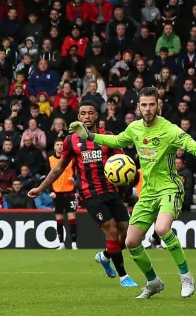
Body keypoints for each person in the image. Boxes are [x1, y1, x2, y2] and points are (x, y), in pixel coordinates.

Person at [69, 86, 196, 299]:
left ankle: (186, 276)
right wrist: (90, 135)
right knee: (131, 242)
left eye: (151, 105)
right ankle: (153, 282)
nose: (148, 109)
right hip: (147, 192)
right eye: (144, 105)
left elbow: (187, 141)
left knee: (162, 228)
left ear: (159, 105)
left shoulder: (169, 129)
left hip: (169, 188)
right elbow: (118, 140)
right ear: (138, 107)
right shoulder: (135, 128)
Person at [30, 101, 137, 288]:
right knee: (111, 230)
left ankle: (104, 257)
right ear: (78, 117)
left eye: (90, 113)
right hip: (91, 194)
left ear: (97, 116)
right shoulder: (71, 140)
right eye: (83, 113)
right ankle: (123, 276)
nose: (87, 117)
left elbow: (122, 161)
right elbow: (59, 168)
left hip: (111, 191)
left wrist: (127, 177)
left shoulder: (108, 137)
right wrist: (41, 187)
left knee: (125, 237)